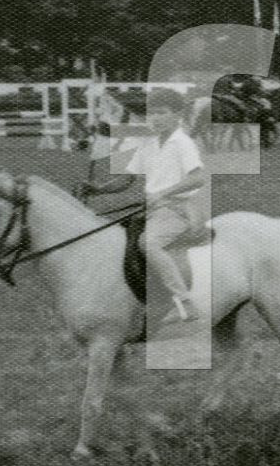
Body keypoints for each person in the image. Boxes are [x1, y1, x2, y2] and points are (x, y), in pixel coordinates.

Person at [80, 87, 209, 324]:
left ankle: (185, 302)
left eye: (162, 113)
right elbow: (127, 179)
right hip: (154, 209)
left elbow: (198, 178)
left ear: (177, 115)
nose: (155, 119)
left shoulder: (182, 143)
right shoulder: (148, 144)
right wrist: (98, 189)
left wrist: (164, 192)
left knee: (148, 243)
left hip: (178, 209)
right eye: (152, 114)